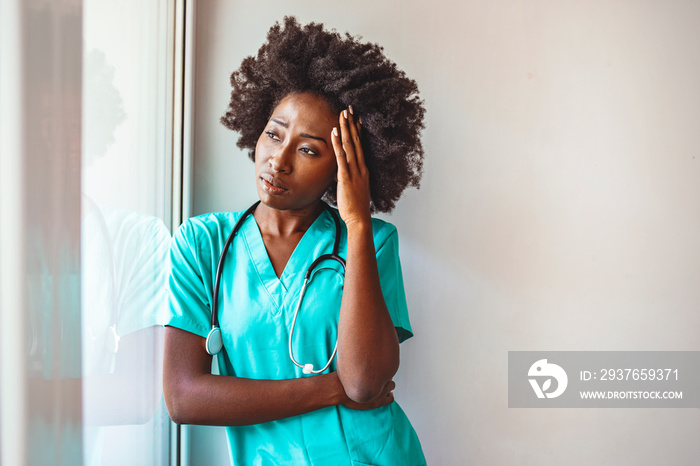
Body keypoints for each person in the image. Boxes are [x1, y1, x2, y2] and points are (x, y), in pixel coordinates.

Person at [164, 16, 426, 465]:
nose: (278, 160)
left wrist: (358, 223)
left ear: (342, 167)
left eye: (308, 150)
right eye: (273, 134)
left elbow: (364, 382)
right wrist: (328, 387)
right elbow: (184, 398)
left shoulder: (373, 243)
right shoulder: (202, 244)